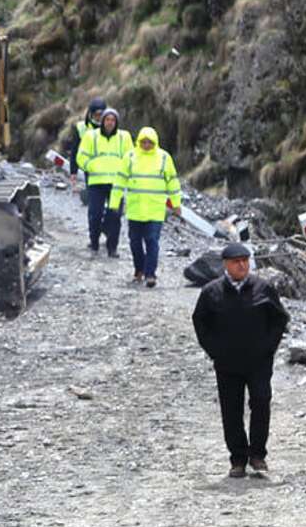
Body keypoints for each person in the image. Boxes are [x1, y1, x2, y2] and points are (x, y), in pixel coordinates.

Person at [191, 242, 290, 478]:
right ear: (226, 264)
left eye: (245, 261)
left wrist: (269, 348)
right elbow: (200, 322)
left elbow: (279, 319)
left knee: (261, 401)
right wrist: (215, 350)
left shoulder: (263, 288)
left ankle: (258, 455)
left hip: (259, 362)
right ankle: (238, 459)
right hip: (227, 363)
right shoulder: (211, 292)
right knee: (231, 409)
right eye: (237, 262)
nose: (242, 265)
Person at [118, 126, 181, 287]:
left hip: (155, 209)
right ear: (139, 141)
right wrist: (114, 202)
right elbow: (120, 181)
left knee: (152, 241)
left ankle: (150, 274)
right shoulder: (130, 156)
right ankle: (139, 269)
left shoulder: (164, 158)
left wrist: (176, 204)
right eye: (144, 142)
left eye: (150, 142)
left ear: (155, 142)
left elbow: (173, 182)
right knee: (134, 242)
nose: (146, 145)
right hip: (135, 209)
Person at [76, 108, 131, 256]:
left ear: (117, 122)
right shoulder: (90, 136)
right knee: (95, 214)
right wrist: (91, 167)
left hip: (116, 184)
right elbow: (81, 157)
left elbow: (130, 157)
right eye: (107, 119)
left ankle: (112, 248)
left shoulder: (124, 137)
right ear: (102, 121)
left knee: (115, 216)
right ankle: (94, 242)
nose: (110, 123)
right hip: (96, 182)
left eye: (113, 120)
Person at [59, 97, 106, 194]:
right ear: (91, 114)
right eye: (97, 114)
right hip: (90, 168)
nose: (99, 117)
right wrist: (73, 172)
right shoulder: (81, 127)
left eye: (102, 114)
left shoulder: (110, 125)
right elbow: (75, 150)